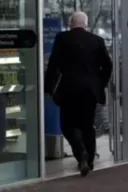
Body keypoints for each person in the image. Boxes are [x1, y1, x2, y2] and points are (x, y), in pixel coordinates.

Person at [44, 11, 113, 176]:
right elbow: (108, 66)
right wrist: (98, 84)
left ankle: (80, 152)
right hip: (90, 91)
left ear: (71, 23)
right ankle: (89, 160)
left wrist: (49, 88)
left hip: (69, 89)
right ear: (86, 24)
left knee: (67, 125)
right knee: (87, 125)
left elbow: (53, 65)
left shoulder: (62, 38)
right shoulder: (97, 40)